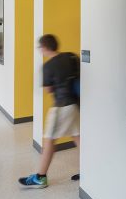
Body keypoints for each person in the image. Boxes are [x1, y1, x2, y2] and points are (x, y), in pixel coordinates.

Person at [19, 34, 80, 188]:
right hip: (74, 104)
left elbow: (48, 89)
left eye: (40, 47)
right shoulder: (71, 57)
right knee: (78, 137)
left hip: (61, 106)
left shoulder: (48, 66)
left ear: (45, 47)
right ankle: (90, 169)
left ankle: (40, 177)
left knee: (49, 141)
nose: (40, 50)